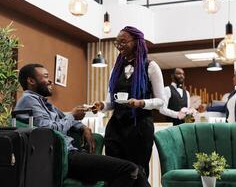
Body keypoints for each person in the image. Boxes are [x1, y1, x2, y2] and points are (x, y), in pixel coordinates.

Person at [15, 63, 148, 187]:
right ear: (31, 81)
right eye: (45, 76)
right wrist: (72, 115)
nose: (50, 80)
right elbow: (48, 130)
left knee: (137, 171)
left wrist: (84, 127)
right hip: (64, 158)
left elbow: (65, 119)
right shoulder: (28, 100)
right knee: (130, 170)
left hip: (72, 153)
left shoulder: (44, 102)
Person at [95, 26, 164, 180]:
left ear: (136, 42)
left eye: (123, 42)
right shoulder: (116, 69)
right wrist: (102, 106)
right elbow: (111, 102)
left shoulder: (151, 66)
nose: (119, 46)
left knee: (137, 173)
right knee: (114, 171)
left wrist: (141, 103)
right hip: (116, 127)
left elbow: (161, 101)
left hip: (139, 127)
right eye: (117, 42)